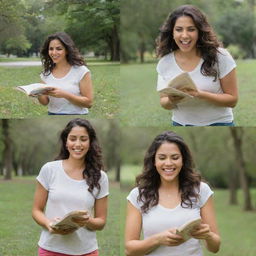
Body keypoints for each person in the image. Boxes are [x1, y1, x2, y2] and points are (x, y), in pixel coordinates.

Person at [125, 131, 220, 256]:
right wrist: (158, 239)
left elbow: (215, 247)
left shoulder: (201, 190)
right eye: (162, 158)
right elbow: (130, 250)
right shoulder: (138, 195)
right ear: (154, 161)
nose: (168, 163)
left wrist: (208, 236)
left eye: (175, 157)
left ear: (183, 160)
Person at [32, 118, 108, 256]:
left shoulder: (101, 177)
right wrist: (49, 224)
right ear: (66, 142)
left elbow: (101, 222)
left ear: (90, 143)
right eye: (73, 139)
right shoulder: (49, 169)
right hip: (51, 249)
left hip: (86, 251)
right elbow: (36, 210)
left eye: (83, 139)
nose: (78, 144)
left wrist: (87, 221)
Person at [156, 5, 238, 126]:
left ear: (199, 31)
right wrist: (171, 100)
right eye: (179, 29)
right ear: (172, 32)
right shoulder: (164, 62)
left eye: (191, 29)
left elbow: (232, 100)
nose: (184, 35)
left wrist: (201, 95)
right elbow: (163, 101)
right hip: (180, 124)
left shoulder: (221, 57)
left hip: (219, 123)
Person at [38, 32, 93, 115]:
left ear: (67, 50)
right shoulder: (46, 73)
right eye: (51, 49)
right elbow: (45, 102)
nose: (54, 53)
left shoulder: (81, 71)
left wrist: (64, 94)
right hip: (52, 115)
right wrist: (38, 93)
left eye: (59, 49)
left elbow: (88, 103)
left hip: (77, 115)